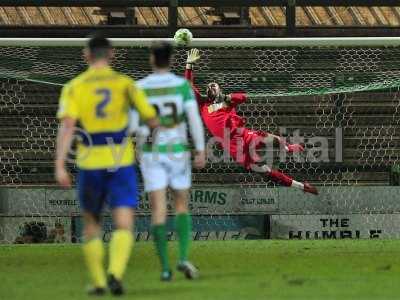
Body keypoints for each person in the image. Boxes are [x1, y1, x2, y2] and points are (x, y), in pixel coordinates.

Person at [55, 34, 158, 296]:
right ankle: (116, 273)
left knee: (92, 223)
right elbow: (152, 120)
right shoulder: (125, 84)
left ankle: (100, 282)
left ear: (86, 55)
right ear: (111, 54)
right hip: (120, 160)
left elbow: (67, 127)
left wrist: (59, 165)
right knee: (124, 222)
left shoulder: (74, 86)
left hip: (90, 162)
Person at [184, 49, 318, 195]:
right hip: (235, 147)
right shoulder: (203, 106)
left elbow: (243, 97)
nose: (210, 87)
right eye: (208, 86)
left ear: (219, 90)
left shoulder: (228, 102)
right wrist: (189, 65)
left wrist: (227, 98)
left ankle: (288, 148)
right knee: (265, 172)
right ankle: (302, 187)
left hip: (245, 135)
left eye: (214, 85)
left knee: (275, 140)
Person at [134, 41, 206, 281]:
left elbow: (135, 124)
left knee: (158, 209)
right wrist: (200, 149)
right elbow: (194, 120)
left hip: (152, 152)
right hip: (177, 150)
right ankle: (183, 258)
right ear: (171, 60)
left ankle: (165, 268)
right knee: (182, 205)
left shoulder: (140, 87)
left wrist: (138, 144)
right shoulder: (181, 86)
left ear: (152, 59)